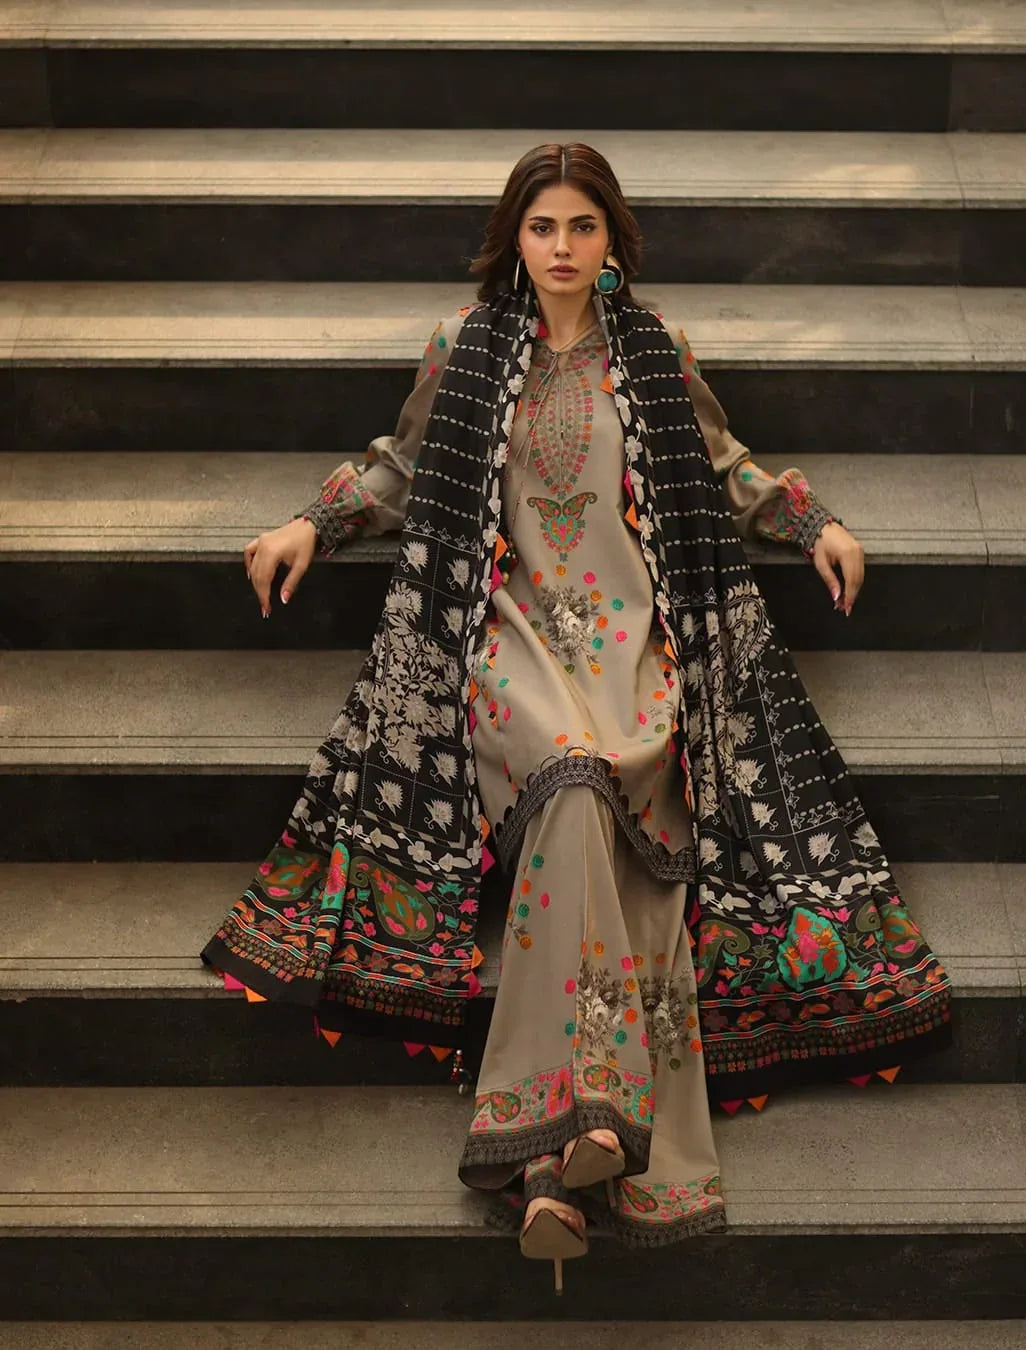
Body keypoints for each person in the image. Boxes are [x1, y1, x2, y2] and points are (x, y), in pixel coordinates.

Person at [203, 143, 951, 1293]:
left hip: (636, 647)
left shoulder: (650, 352)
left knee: (596, 808)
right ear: (515, 239)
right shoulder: (469, 346)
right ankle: (599, 1110)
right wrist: (315, 520)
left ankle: (550, 1163)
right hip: (505, 641)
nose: (561, 247)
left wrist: (813, 526)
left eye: (582, 228)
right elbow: (403, 465)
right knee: (566, 772)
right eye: (543, 227)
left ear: (613, 244)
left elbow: (728, 462)